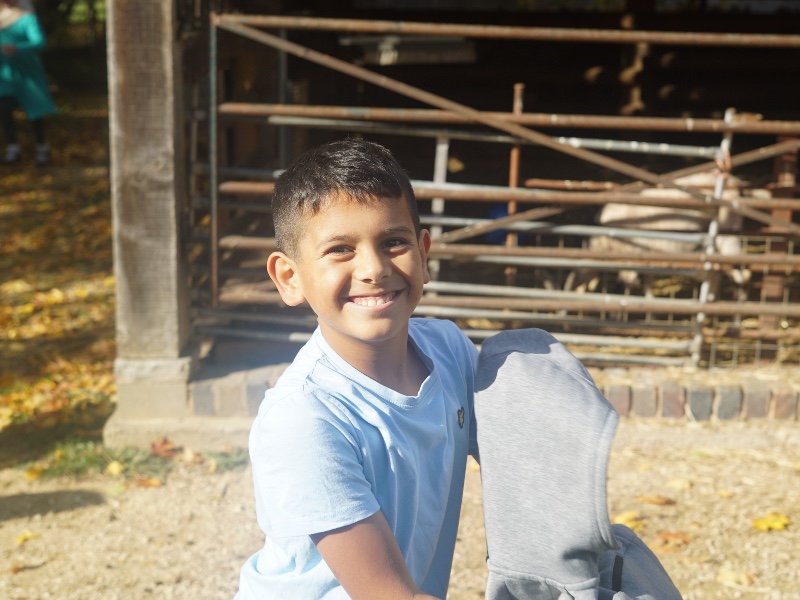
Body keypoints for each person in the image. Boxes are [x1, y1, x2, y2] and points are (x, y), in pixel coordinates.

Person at [235, 138, 479, 599]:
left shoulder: (450, 351)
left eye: (393, 242)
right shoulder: (304, 419)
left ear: (424, 253)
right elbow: (388, 595)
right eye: (340, 250)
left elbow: (521, 448)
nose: (374, 267)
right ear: (290, 278)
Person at [0, 0, 56, 166]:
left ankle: (42, 147)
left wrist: (18, 48)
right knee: (4, 108)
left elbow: (40, 42)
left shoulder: (27, 18)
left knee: (35, 111)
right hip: (4, 74)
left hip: (28, 72)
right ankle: (13, 147)